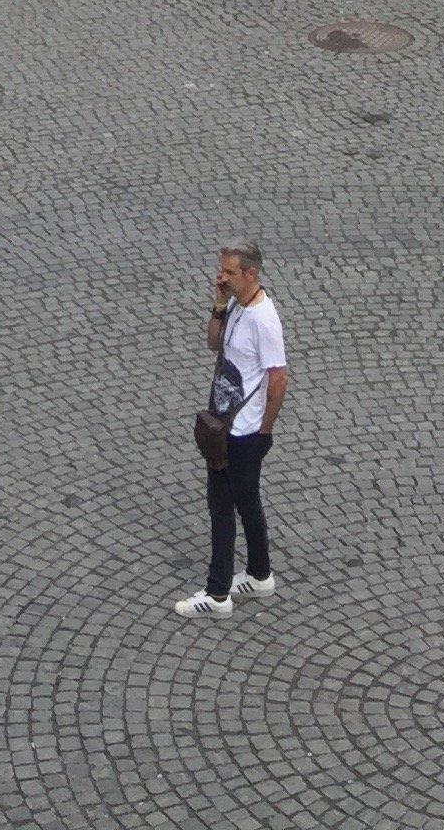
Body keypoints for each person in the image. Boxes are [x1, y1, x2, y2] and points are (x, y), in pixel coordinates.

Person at [175, 242, 286, 620]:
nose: (221, 276)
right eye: (221, 270)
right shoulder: (237, 304)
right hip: (225, 425)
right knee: (247, 501)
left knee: (221, 506)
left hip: (243, 432)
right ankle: (258, 575)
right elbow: (212, 344)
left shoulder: (264, 320)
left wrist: (263, 434)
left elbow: (278, 380)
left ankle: (218, 593)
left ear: (251, 274)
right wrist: (219, 302)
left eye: (229, 272)